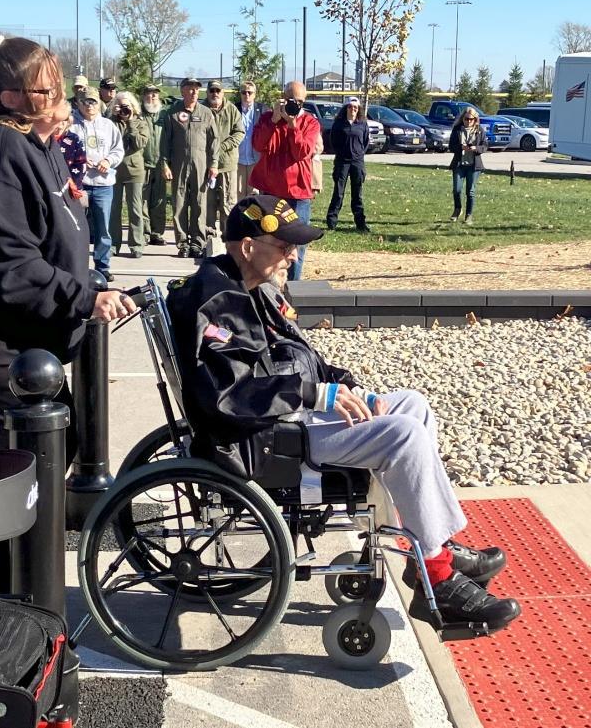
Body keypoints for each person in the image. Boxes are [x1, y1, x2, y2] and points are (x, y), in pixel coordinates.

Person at [166, 195, 522, 633]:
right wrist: (315, 394)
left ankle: (431, 549)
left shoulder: (253, 287)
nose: (292, 255)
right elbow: (226, 397)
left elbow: (297, 357)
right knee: (404, 436)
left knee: (411, 404)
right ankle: (439, 577)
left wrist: (346, 386)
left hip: (292, 418)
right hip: (265, 440)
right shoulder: (215, 302)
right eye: (283, 246)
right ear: (246, 246)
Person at [0, 35, 135, 590]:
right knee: (4, 490)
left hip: (18, 340)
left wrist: (89, 283)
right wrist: (82, 297)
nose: (60, 94)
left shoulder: (37, 146)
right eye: (46, 86)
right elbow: (7, 260)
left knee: (51, 453)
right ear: (10, 97)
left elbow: (56, 234)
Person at [248, 81, 320, 281]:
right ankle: (268, 287)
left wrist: (292, 125)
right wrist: (274, 120)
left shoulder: (310, 123)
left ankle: (293, 289)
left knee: (296, 245)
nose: (294, 105)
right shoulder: (267, 119)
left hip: (298, 195)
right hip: (270, 193)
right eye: (291, 100)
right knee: (268, 241)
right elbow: (258, 145)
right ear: (282, 97)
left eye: (299, 102)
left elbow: (302, 153)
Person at [159, 77, 218, 259]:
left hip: (201, 164)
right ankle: (183, 243)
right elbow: (165, 142)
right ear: (182, 90)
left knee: (200, 203)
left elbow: (214, 141)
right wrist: (164, 164)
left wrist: (214, 164)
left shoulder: (206, 113)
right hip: (179, 163)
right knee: (179, 203)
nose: (193, 92)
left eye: (196, 89)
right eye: (190, 89)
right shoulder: (172, 113)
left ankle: (197, 243)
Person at [70, 92, 124, 280]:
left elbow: (118, 150)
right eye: (85, 102)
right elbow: (65, 149)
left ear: (99, 104)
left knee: (103, 228)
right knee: (78, 228)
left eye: (93, 102)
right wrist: (81, 162)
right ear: (79, 103)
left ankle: (102, 266)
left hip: (103, 185)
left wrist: (108, 161)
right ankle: (78, 266)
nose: (89, 106)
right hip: (80, 185)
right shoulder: (71, 125)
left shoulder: (108, 126)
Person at [109, 90, 151, 259]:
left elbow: (140, 143)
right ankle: (113, 244)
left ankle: (136, 244)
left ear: (133, 106)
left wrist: (131, 121)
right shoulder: (111, 122)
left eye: (127, 105)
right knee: (114, 209)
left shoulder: (141, 122)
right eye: (121, 105)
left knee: (135, 209)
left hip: (134, 171)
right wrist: (114, 115)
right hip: (115, 170)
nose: (124, 109)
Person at [205, 79, 245, 234]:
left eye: (218, 91)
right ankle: (207, 237)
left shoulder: (232, 109)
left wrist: (221, 147)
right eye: (212, 91)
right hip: (206, 164)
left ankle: (228, 239)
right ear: (207, 92)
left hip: (227, 163)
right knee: (208, 203)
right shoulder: (201, 109)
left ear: (223, 92)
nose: (215, 94)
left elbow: (239, 132)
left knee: (227, 203)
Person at [326, 96, 371, 232]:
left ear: (359, 110)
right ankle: (332, 222)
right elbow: (333, 141)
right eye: (350, 107)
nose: (353, 110)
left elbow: (366, 141)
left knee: (357, 193)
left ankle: (360, 223)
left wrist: (359, 154)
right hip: (342, 162)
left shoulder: (362, 124)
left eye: (355, 108)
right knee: (338, 193)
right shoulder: (339, 124)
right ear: (346, 108)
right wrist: (341, 153)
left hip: (357, 162)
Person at [140, 83, 168, 246]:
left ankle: (156, 233)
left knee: (159, 200)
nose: (152, 97)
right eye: (149, 94)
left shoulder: (165, 114)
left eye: (155, 94)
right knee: (142, 200)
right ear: (143, 97)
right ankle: (144, 233)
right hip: (142, 163)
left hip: (161, 163)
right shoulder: (138, 113)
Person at [449, 106, 486, 224]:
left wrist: (476, 148)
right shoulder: (457, 129)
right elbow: (451, 146)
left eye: (471, 119)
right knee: (457, 189)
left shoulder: (479, 130)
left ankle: (469, 215)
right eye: (466, 119)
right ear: (462, 118)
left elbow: (485, 146)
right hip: (459, 164)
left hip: (473, 166)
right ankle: (457, 209)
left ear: (475, 119)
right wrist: (461, 147)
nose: (468, 121)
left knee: (470, 191)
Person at [235, 80, 261, 202]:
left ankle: (250, 221)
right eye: (244, 92)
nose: (247, 95)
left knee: (253, 195)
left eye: (250, 92)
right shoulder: (233, 109)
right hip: (237, 159)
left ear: (255, 94)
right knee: (237, 193)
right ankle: (237, 220)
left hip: (255, 160)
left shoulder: (263, 110)